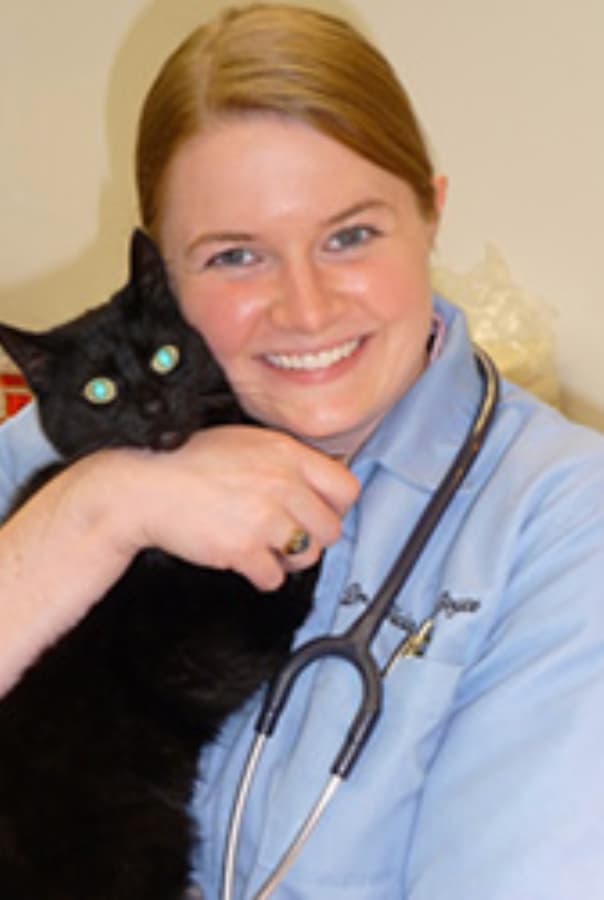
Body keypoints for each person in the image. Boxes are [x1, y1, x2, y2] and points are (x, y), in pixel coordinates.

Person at [2, 4, 604, 897]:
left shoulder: (561, 524)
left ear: (431, 214)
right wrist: (95, 512)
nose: (307, 308)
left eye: (350, 236)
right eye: (235, 256)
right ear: (162, 274)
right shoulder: (54, 461)